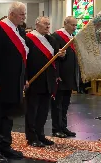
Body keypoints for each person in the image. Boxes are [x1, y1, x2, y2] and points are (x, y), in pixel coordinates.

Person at [0, 2, 29, 162]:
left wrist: (24, 79)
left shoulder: (20, 31)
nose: (24, 17)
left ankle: (5, 145)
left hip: (14, 83)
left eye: (24, 14)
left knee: (8, 117)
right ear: (12, 14)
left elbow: (22, 59)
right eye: (22, 14)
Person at [25, 17, 65, 147]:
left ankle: (40, 135)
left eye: (49, 24)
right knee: (32, 110)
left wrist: (61, 56)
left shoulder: (51, 40)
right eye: (45, 24)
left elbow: (55, 62)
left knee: (43, 110)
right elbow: (24, 60)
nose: (48, 26)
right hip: (34, 79)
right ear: (37, 24)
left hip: (48, 80)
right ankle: (31, 137)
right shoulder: (29, 39)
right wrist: (25, 78)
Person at [51, 16, 78, 138]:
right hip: (60, 77)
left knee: (65, 104)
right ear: (65, 24)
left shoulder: (71, 37)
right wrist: (56, 75)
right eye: (72, 25)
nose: (74, 27)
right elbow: (54, 58)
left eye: (75, 25)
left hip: (69, 76)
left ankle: (63, 126)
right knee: (58, 104)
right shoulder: (57, 36)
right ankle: (56, 128)